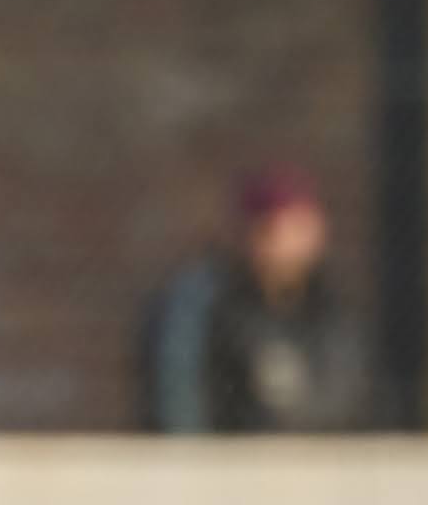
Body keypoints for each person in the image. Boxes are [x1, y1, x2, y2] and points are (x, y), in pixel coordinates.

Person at [138, 164, 370, 435]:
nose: (287, 242)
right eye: (273, 229)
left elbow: (355, 402)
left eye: (299, 227)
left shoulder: (334, 314)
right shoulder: (205, 305)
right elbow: (179, 403)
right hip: (231, 469)